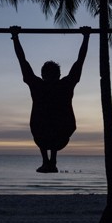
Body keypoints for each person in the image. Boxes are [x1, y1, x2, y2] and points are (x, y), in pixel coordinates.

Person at [12, 26, 90, 173]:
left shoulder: (37, 85)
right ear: (59, 74)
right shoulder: (65, 84)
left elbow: (23, 61)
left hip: (45, 135)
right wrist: (86, 37)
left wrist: (15, 37)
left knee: (46, 122)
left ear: (42, 75)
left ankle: (47, 161)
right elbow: (80, 61)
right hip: (60, 136)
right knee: (49, 123)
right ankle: (51, 161)